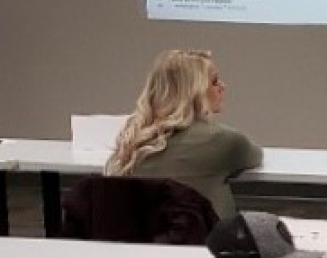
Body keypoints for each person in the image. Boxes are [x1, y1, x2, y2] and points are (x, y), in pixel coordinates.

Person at [106, 48, 262, 220]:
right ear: (194, 90)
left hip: (140, 244)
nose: (222, 86)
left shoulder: (132, 144)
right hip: (204, 244)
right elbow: (255, 155)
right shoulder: (225, 142)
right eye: (214, 81)